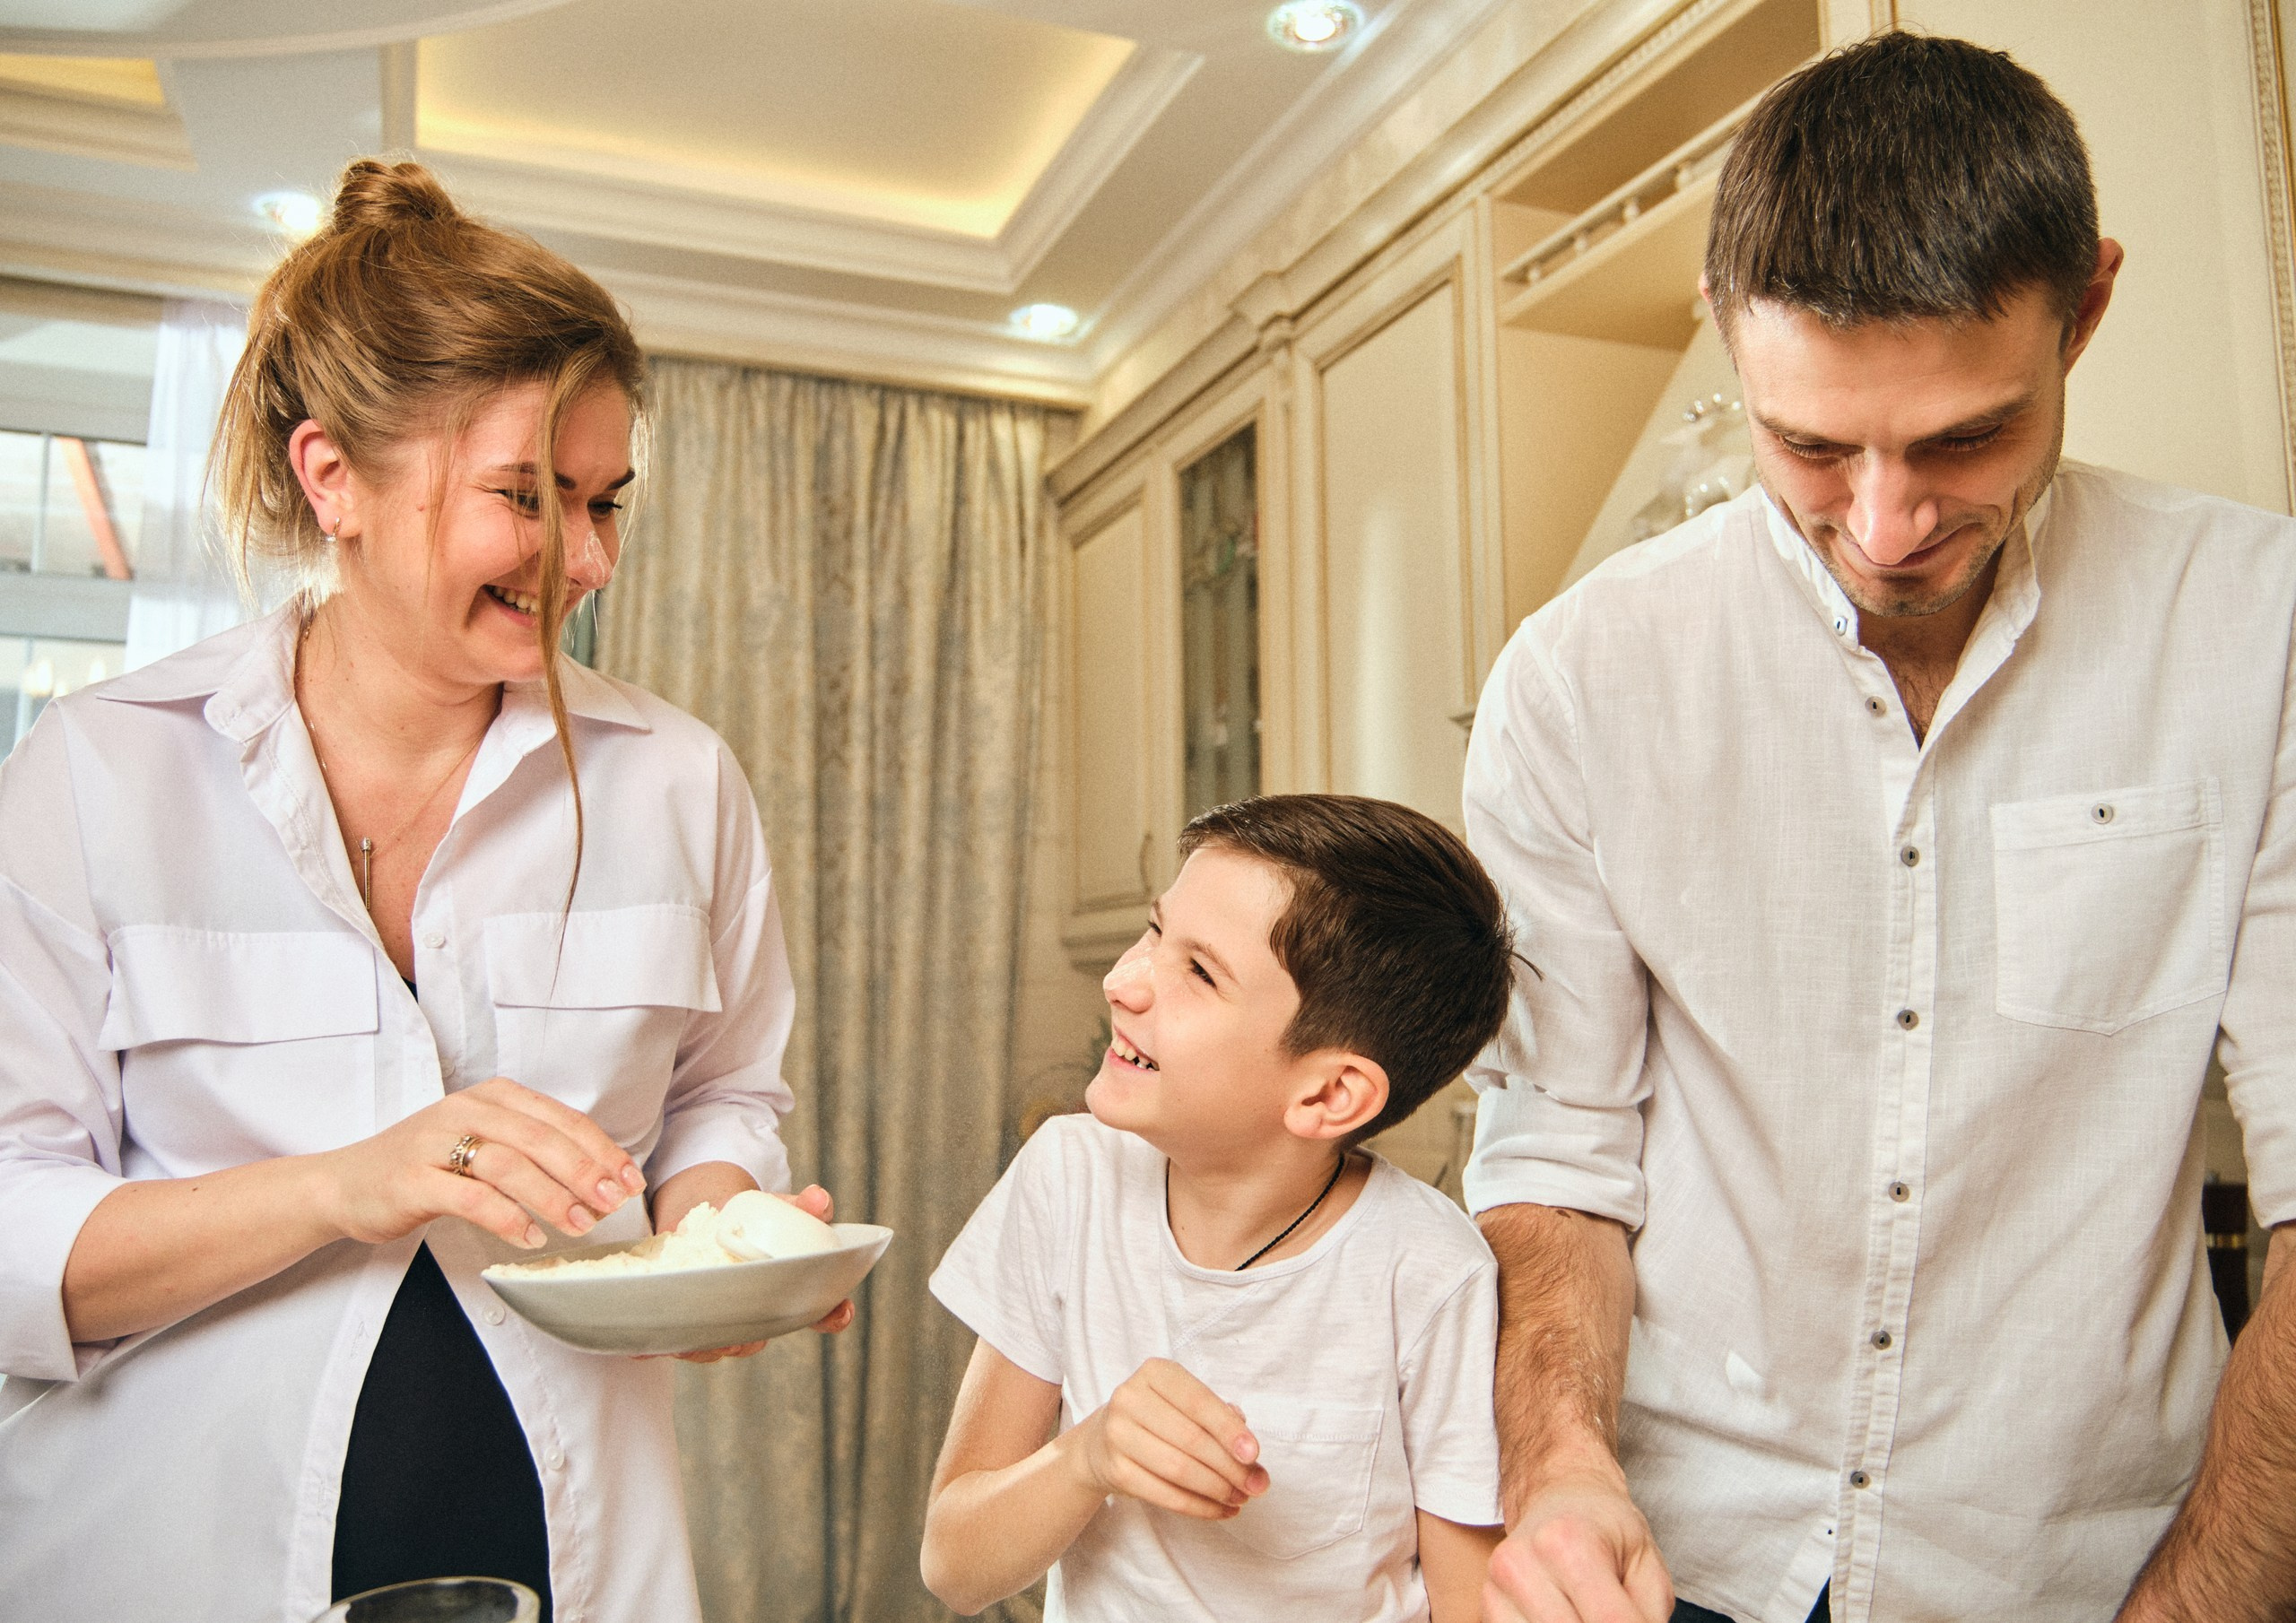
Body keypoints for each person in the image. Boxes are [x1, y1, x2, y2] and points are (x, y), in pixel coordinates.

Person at [1465, 32, 2296, 1623]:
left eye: (1963, 438)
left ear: (2090, 306)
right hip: (1690, 1553)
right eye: (1813, 445)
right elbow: (1560, 1150)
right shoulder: (1582, 677)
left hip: (2102, 1563)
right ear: (1727, 330)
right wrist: (1558, 1456)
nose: (1886, 525)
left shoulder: (2260, 630)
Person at [0, 160, 846, 1622]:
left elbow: (725, 1097)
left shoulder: (678, 781)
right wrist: (346, 1184)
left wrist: (720, 1240)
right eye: (528, 499)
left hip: (571, 1547)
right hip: (157, 1555)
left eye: (606, 503)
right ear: (334, 478)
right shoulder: (98, 773)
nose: (588, 559)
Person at [920, 794, 1512, 1620]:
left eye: (1198, 971)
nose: (1123, 981)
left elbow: (1471, 1605)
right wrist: (1087, 1456)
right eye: (1156, 932)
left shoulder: (1430, 1270)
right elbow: (954, 1564)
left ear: (1332, 1092)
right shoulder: (1069, 1177)